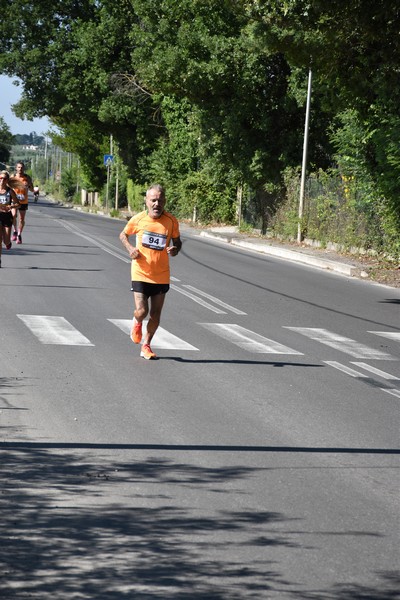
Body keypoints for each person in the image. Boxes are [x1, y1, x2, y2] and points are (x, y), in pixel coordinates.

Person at [119, 184, 182, 359]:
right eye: (153, 200)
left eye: (160, 200)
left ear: (165, 201)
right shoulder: (138, 220)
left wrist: (175, 248)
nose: (157, 204)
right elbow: (123, 235)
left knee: (155, 314)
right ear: (146, 201)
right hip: (140, 272)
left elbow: (177, 242)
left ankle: (146, 345)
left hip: (161, 275)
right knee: (142, 311)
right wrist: (130, 248)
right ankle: (137, 321)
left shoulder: (171, 221)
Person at [10, 161, 33, 244]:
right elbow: (8, 186)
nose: (20, 169)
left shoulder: (27, 177)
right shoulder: (13, 177)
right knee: (13, 216)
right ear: (16, 168)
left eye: (22, 167)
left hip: (23, 201)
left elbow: (32, 189)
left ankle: (19, 234)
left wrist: (28, 185)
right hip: (14, 200)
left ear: (24, 168)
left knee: (21, 219)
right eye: (19, 167)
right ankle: (15, 231)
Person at [0, 170, 19, 268]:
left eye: (4, 178)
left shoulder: (10, 191)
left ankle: (8, 242)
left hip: (7, 216)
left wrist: (10, 207)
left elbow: (17, 204)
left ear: (7, 180)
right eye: (0, 178)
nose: (2, 180)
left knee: (5, 241)